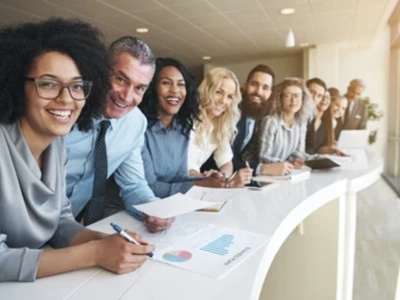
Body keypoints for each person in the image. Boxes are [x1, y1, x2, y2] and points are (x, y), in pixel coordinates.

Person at [0, 18, 153, 282]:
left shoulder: (55, 144)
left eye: (77, 86)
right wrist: (94, 253)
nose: (67, 99)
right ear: (15, 84)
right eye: (48, 83)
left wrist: (104, 240)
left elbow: (58, 221)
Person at [65, 36, 174, 232]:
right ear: (102, 71)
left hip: (68, 230)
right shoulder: (64, 109)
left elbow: (133, 185)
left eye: (139, 88)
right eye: (121, 79)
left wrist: (153, 209)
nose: (126, 96)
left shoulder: (135, 122)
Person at [139, 58, 224, 198]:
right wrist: (198, 185)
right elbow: (149, 187)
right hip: (128, 210)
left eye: (181, 84)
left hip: (167, 206)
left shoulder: (182, 128)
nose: (175, 90)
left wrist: (207, 179)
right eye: (166, 83)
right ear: (152, 87)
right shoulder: (140, 128)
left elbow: (179, 176)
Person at [188, 67, 252, 187]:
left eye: (229, 96)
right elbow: (183, 167)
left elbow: (226, 162)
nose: (223, 101)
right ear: (207, 90)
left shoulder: (220, 125)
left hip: (196, 186)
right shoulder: (188, 120)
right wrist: (205, 178)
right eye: (219, 92)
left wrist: (223, 176)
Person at [258, 78, 314, 170]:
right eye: (287, 96)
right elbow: (263, 156)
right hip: (269, 172)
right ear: (280, 98)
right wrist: (288, 163)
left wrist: (315, 159)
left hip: (287, 171)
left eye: (297, 96)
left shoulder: (301, 122)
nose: (293, 100)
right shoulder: (271, 121)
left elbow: (299, 153)